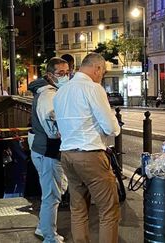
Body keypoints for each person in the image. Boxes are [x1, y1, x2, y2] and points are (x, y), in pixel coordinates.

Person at [53, 53, 121, 243]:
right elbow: (110, 127)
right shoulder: (93, 88)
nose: (102, 76)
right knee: (108, 209)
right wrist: (115, 127)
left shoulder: (61, 91)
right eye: (103, 72)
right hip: (90, 155)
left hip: (67, 155)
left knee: (78, 209)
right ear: (97, 68)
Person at [28, 57, 69, 243]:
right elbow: (52, 128)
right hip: (48, 150)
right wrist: (62, 132)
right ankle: (50, 236)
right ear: (50, 75)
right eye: (61, 73)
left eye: (67, 72)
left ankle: (43, 227)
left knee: (56, 188)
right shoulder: (48, 95)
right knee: (52, 194)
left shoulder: (48, 92)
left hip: (45, 150)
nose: (65, 76)